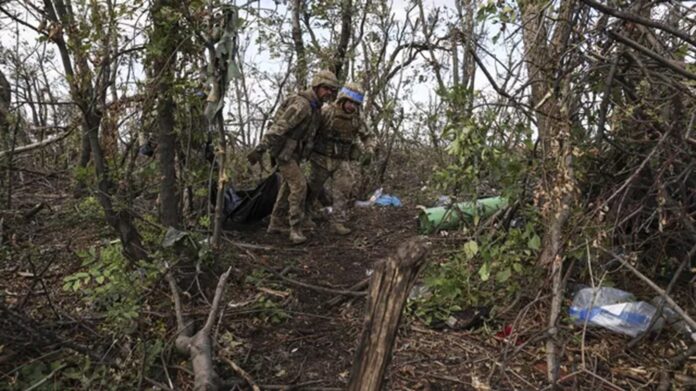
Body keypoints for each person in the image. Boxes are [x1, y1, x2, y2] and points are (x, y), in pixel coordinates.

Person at [247, 70, 339, 244]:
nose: (329, 93)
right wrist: (260, 148)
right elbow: (280, 126)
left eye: (331, 90)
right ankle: (295, 228)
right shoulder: (302, 105)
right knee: (299, 186)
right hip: (284, 153)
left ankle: (275, 223)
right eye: (326, 88)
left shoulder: (316, 108)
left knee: (287, 188)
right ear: (317, 86)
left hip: (294, 153)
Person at [306, 82, 375, 235]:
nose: (352, 106)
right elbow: (310, 131)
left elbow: (368, 136)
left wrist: (369, 150)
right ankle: (305, 216)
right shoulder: (327, 112)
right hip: (321, 158)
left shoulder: (357, 118)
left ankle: (337, 222)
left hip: (341, 159)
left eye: (355, 104)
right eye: (350, 102)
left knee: (344, 188)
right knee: (312, 189)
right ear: (343, 100)